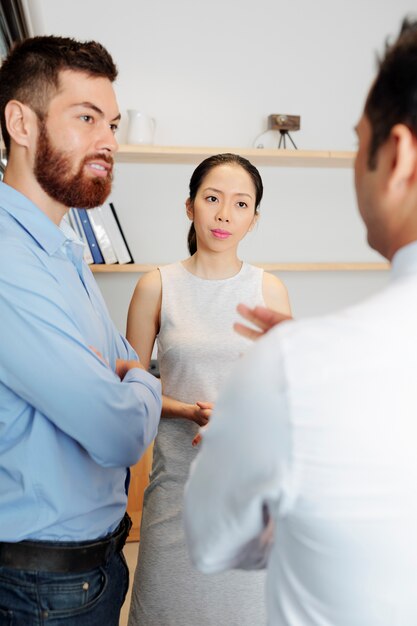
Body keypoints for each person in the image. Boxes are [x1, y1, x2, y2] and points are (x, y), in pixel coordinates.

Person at [184, 17, 417, 626]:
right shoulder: (298, 358)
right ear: (192, 206)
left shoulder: (297, 366)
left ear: (397, 158)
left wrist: (284, 394)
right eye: (212, 197)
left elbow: (211, 541)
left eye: (357, 141)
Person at [0, 36, 162, 625]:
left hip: (93, 569)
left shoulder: (63, 249)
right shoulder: (8, 258)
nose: (108, 143)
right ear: (21, 121)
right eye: (86, 118)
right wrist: (140, 383)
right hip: (37, 587)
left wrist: (127, 377)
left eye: (113, 124)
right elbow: (117, 430)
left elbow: (121, 361)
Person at [126, 152, 291, 626]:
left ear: (254, 219)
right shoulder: (157, 286)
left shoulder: (269, 290)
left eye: (241, 205)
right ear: (189, 205)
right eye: (213, 198)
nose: (224, 214)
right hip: (175, 493)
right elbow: (131, 393)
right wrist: (188, 410)